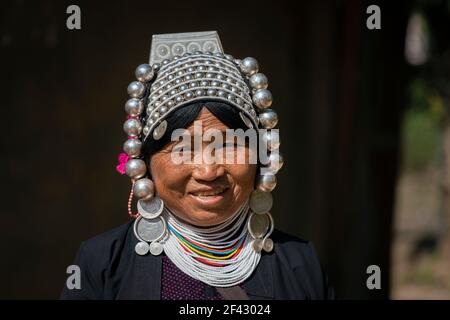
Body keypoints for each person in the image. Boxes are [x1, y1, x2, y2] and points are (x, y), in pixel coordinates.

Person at [60, 31, 334, 300]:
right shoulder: (103, 264)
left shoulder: (300, 264)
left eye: (228, 145)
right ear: (144, 162)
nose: (208, 171)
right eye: (182, 149)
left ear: (261, 154)